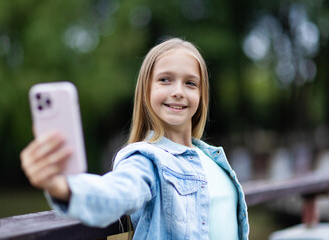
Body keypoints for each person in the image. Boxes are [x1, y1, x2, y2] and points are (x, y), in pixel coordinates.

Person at [20, 38, 249, 240]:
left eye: (190, 83)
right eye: (165, 80)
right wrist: (62, 186)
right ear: (146, 90)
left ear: (201, 94)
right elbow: (117, 192)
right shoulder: (146, 159)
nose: (179, 91)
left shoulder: (213, 156)